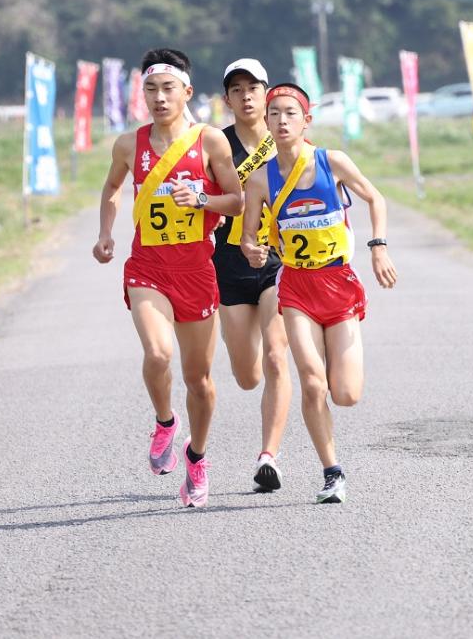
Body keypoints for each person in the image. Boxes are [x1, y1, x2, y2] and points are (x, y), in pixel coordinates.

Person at [92, 48, 244, 508]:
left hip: (196, 271)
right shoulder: (128, 144)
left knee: (199, 380)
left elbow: (236, 201)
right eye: (151, 90)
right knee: (158, 353)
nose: (159, 98)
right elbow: (113, 188)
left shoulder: (211, 141)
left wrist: (201, 200)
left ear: (187, 93)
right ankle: (164, 422)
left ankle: (196, 456)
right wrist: (104, 233)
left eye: (168, 89)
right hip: (147, 268)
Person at [240, 83, 397, 504]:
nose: (282, 120)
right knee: (312, 384)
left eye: (291, 113)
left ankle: (336, 362)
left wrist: (378, 247)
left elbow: (374, 198)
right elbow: (248, 237)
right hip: (296, 288)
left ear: (306, 120)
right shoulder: (260, 178)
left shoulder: (333, 162)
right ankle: (332, 472)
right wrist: (253, 251)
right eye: (274, 114)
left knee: (346, 394)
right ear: (267, 123)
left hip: (338, 284)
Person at [212, 59, 290, 492]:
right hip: (227, 267)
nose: (245, 96)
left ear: (266, 93)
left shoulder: (287, 143)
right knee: (248, 375)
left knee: (278, 355)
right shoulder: (215, 147)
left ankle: (268, 457)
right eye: (236, 89)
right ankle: (248, 348)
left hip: (278, 266)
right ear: (227, 99)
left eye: (253, 88)